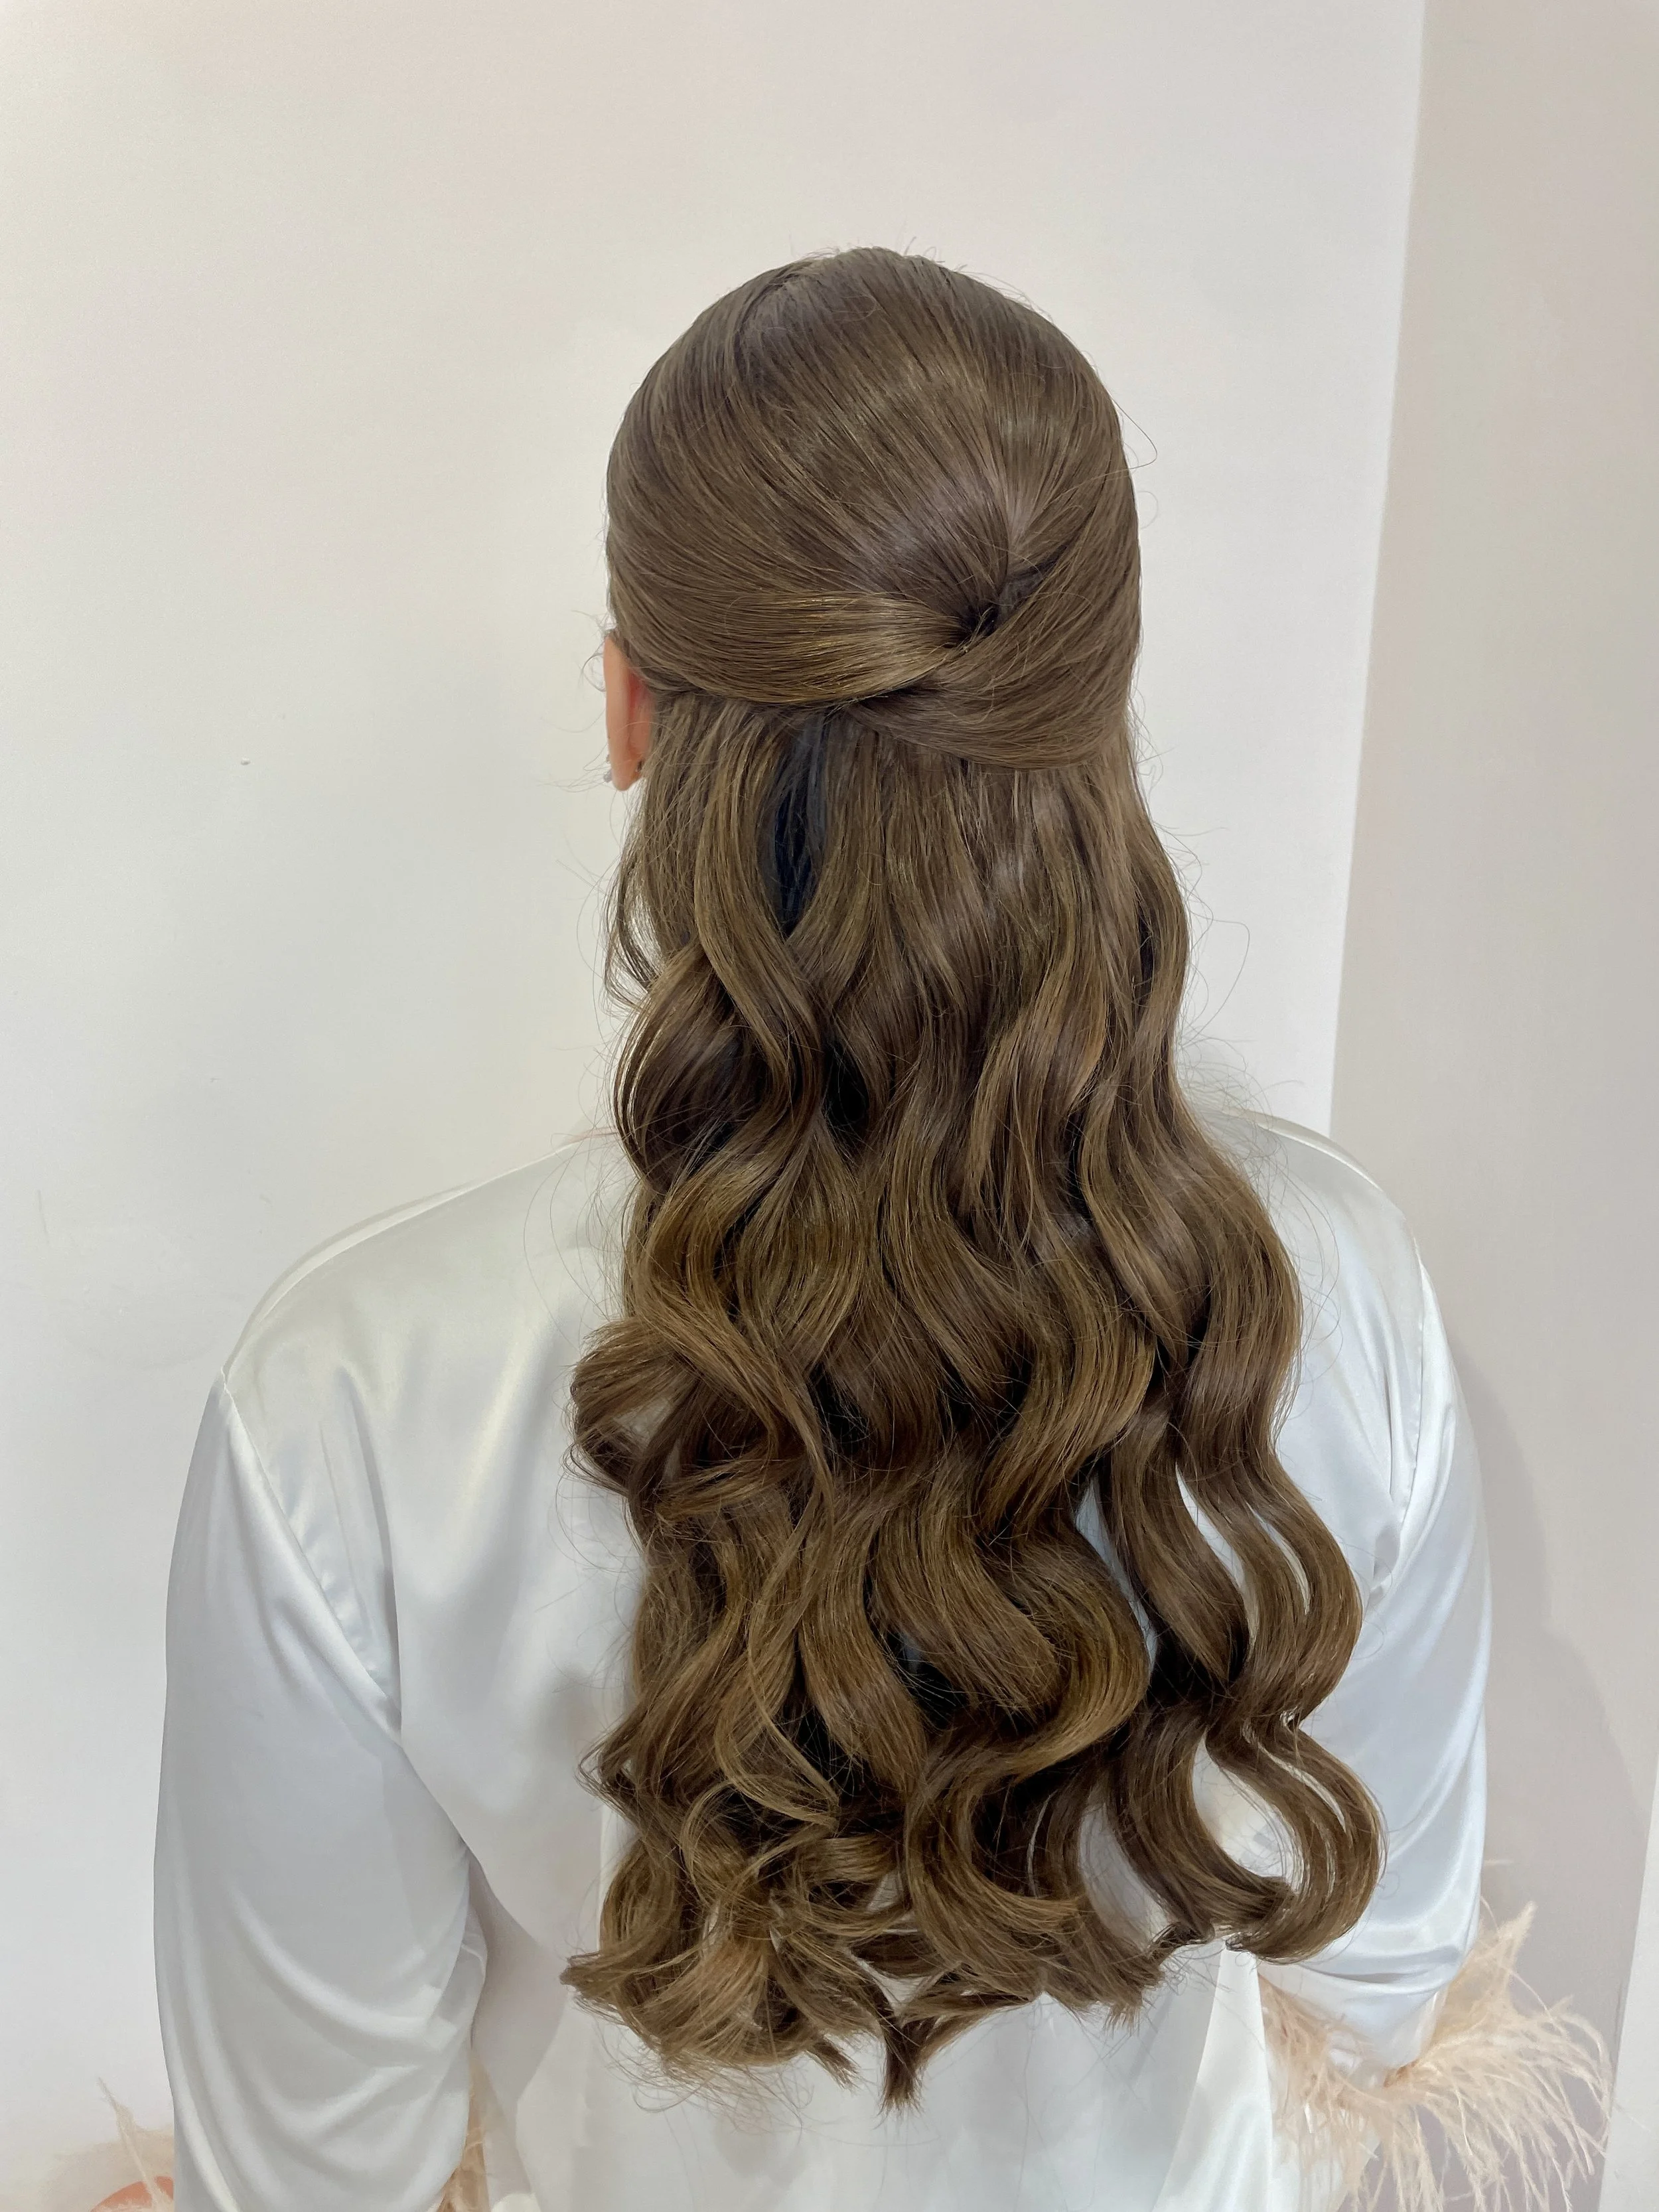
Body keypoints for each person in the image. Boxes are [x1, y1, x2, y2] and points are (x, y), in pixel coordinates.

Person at [147, 248, 1605, 2212]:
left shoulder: (349, 1395)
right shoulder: (1331, 1292)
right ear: (1096, 709)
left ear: (630, 708)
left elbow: (318, 2168)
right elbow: (1381, 1981)